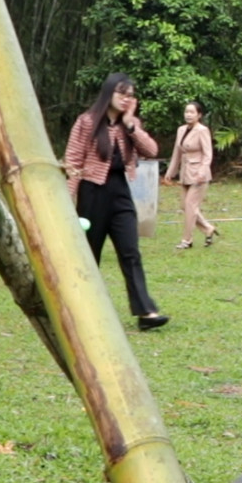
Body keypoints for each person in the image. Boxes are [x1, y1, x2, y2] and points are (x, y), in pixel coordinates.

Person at [64, 73, 170, 330]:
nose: (126, 99)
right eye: (121, 94)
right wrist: (67, 199)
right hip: (92, 191)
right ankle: (80, 309)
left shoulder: (129, 124)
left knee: (130, 251)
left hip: (120, 191)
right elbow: (73, 161)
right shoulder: (87, 121)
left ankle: (146, 312)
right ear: (108, 93)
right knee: (89, 254)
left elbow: (151, 151)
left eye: (130, 96)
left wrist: (131, 124)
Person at [164, 100, 218, 249]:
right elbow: (177, 152)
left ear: (199, 115)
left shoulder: (202, 130)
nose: (188, 115)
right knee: (185, 206)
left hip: (199, 174)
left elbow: (208, 154)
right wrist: (170, 171)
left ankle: (186, 240)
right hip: (185, 173)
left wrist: (202, 171)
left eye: (192, 112)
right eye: (186, 112)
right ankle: (208, 228)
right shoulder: (181, 130)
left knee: (190, 205)